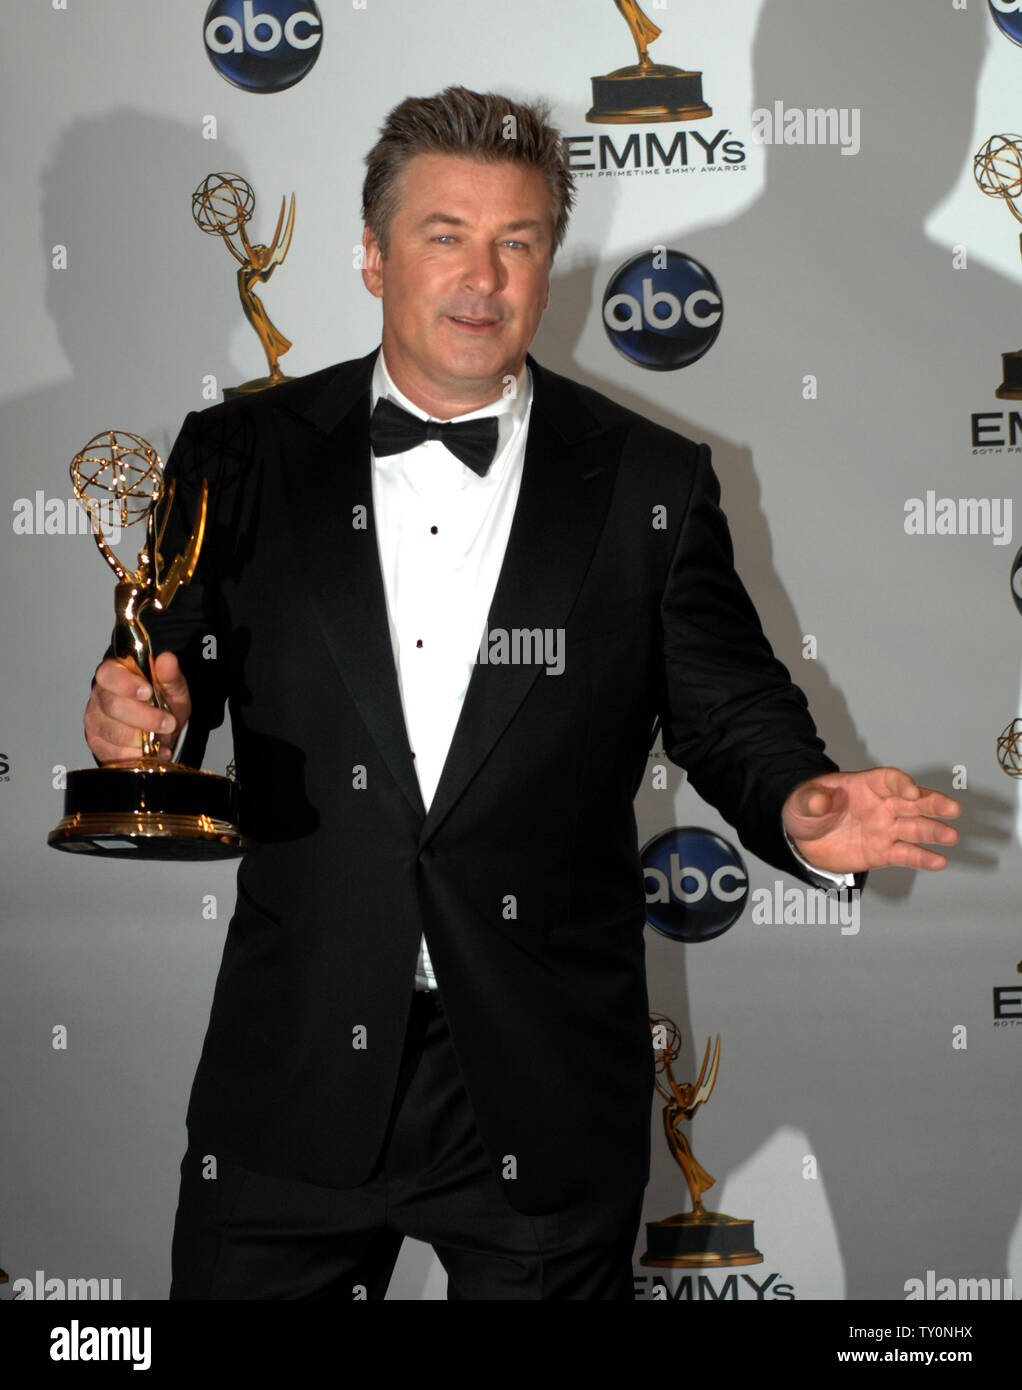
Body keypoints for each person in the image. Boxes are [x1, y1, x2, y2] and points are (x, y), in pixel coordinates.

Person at [83, 87, 960, 1300]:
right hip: (293, 1072)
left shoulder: (646, 480)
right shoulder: (241, 455)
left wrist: (800, 800)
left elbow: (728, 705)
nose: (481, 276)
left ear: (552, 258)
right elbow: (163, 667)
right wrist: (138, 718)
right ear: (373, 251)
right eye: (444, 234)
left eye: (518, 241)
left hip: (539, 1078)